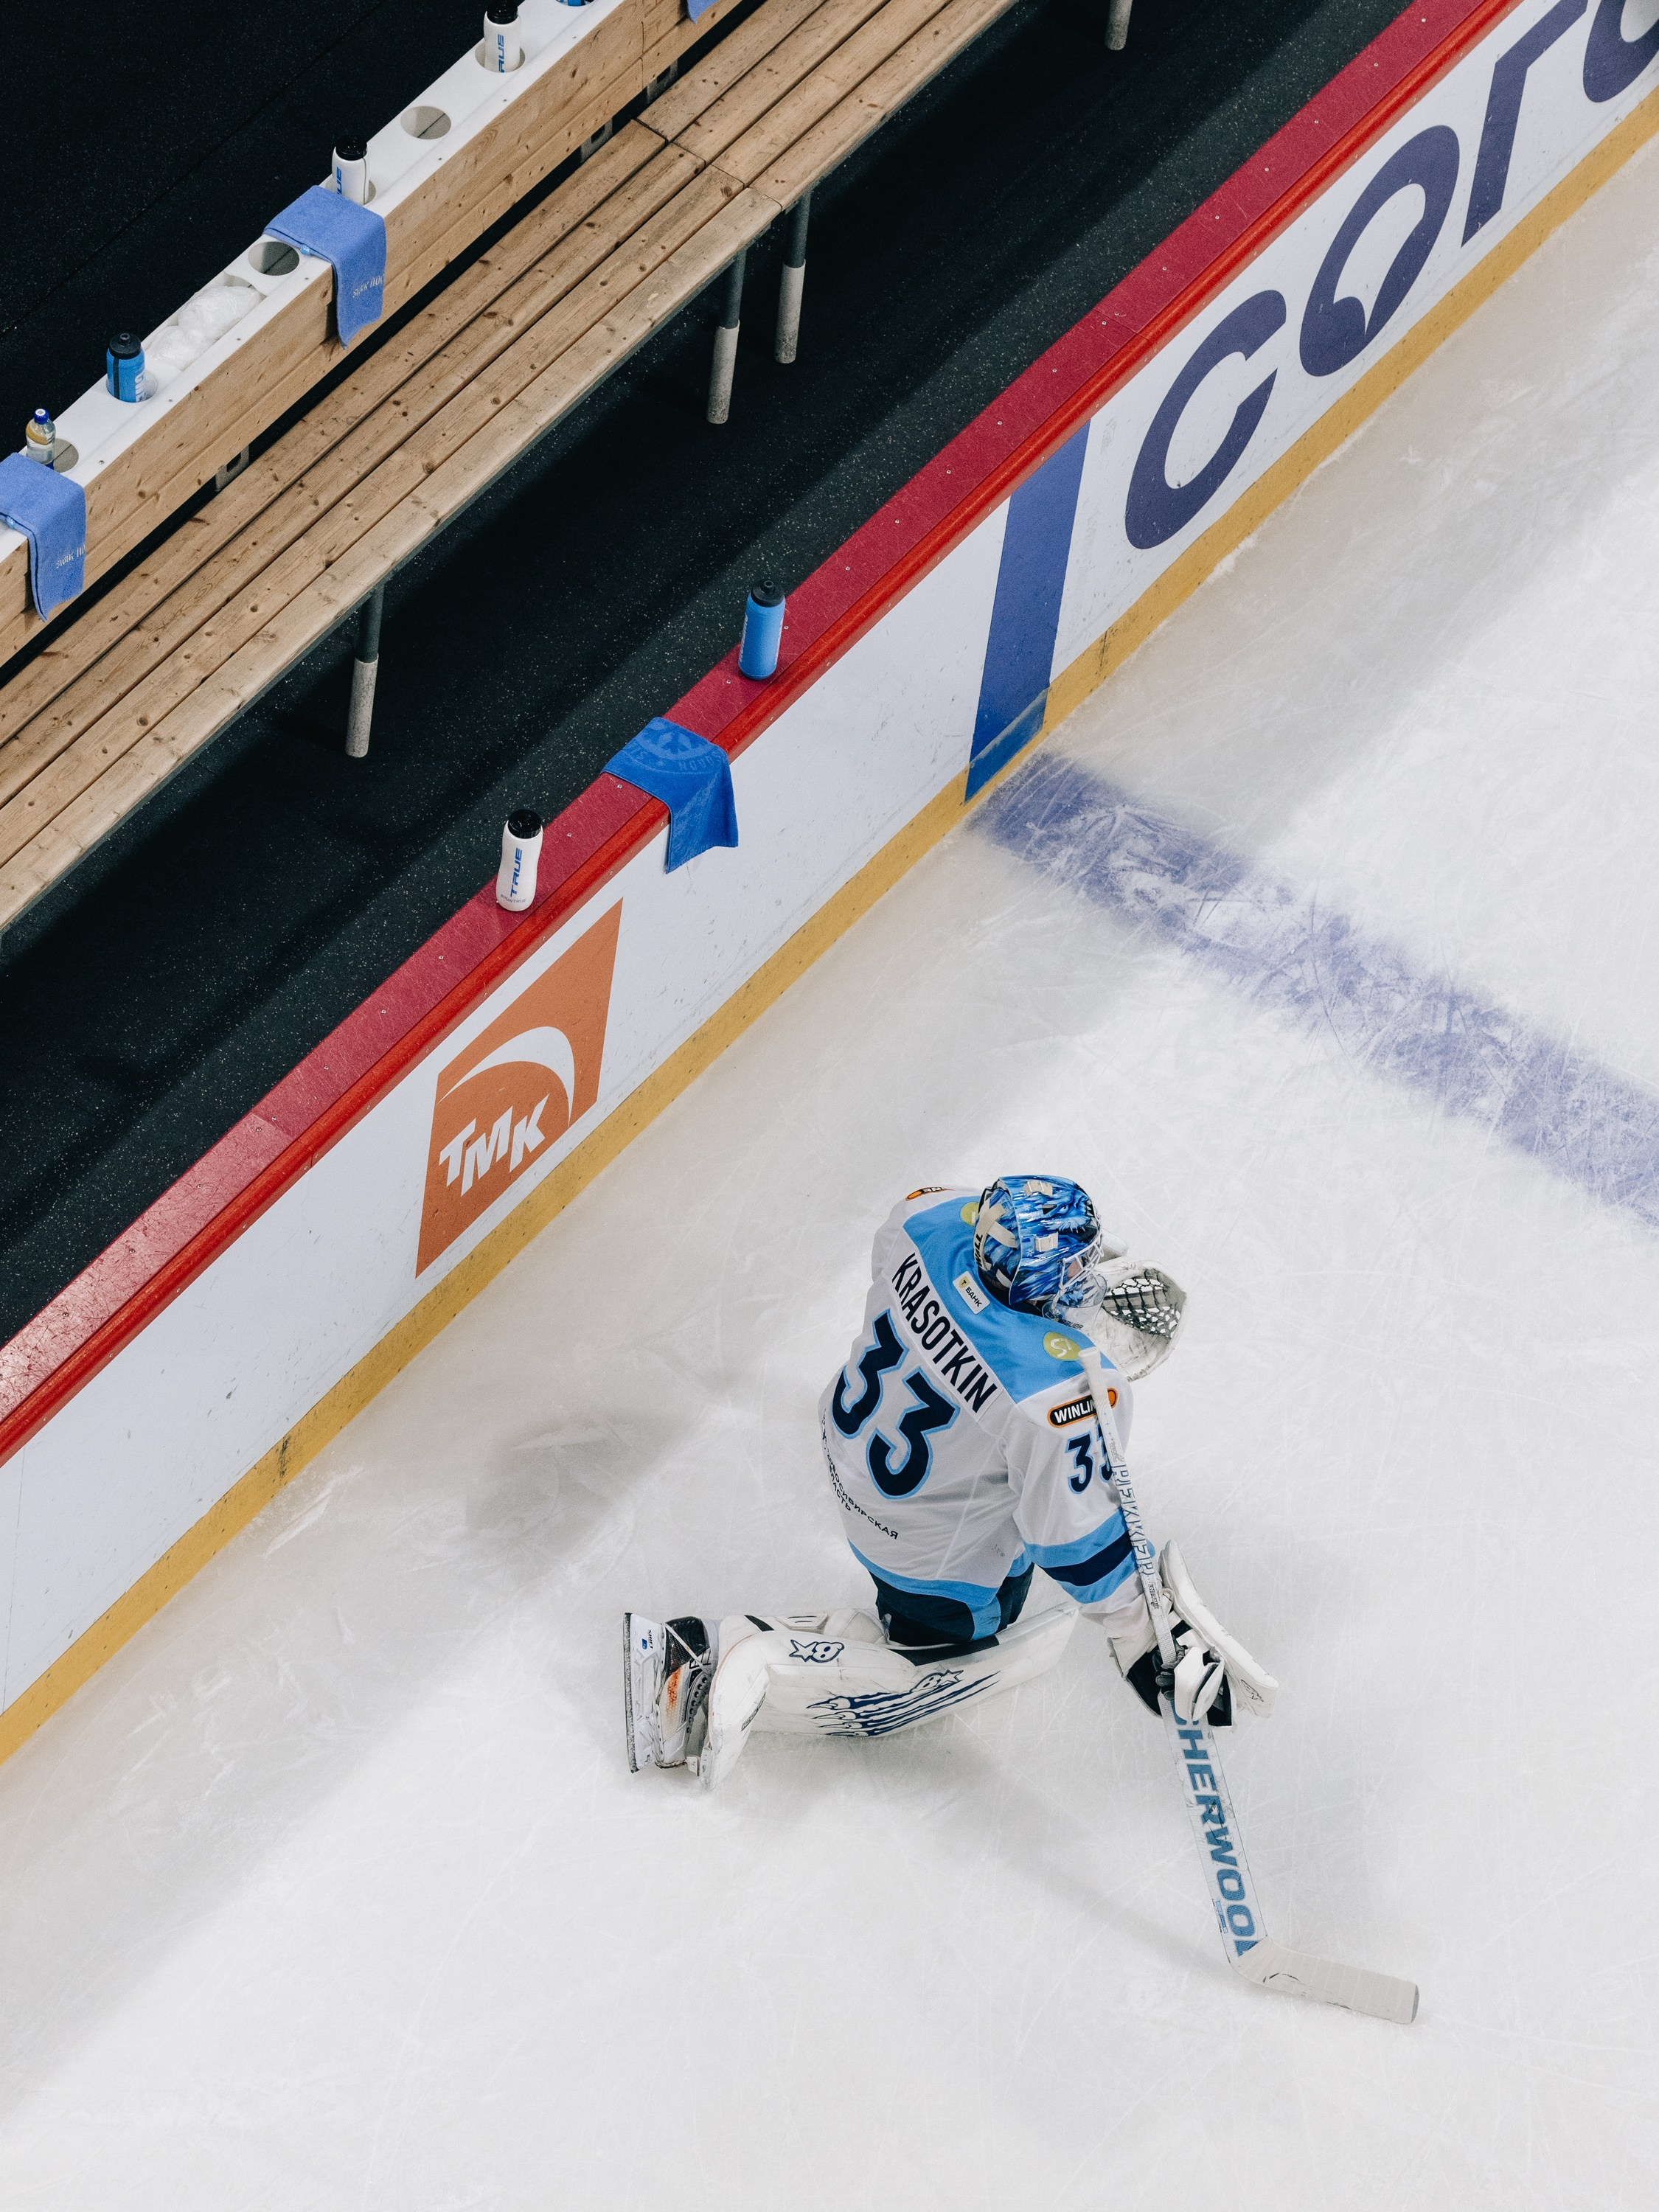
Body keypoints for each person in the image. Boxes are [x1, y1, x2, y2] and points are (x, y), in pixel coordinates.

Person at [625, 1176, 1275, 1787]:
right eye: (1076, 1271)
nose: (1089, 1278)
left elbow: (928, 1236)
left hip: (848, 1451)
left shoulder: (927, 1217)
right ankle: (770, 1663)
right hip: (929, 1558)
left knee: (996, 1442)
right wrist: (1139, 1633)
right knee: (959, 1633)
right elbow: (1069, 1539)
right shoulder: (1059, 1392)